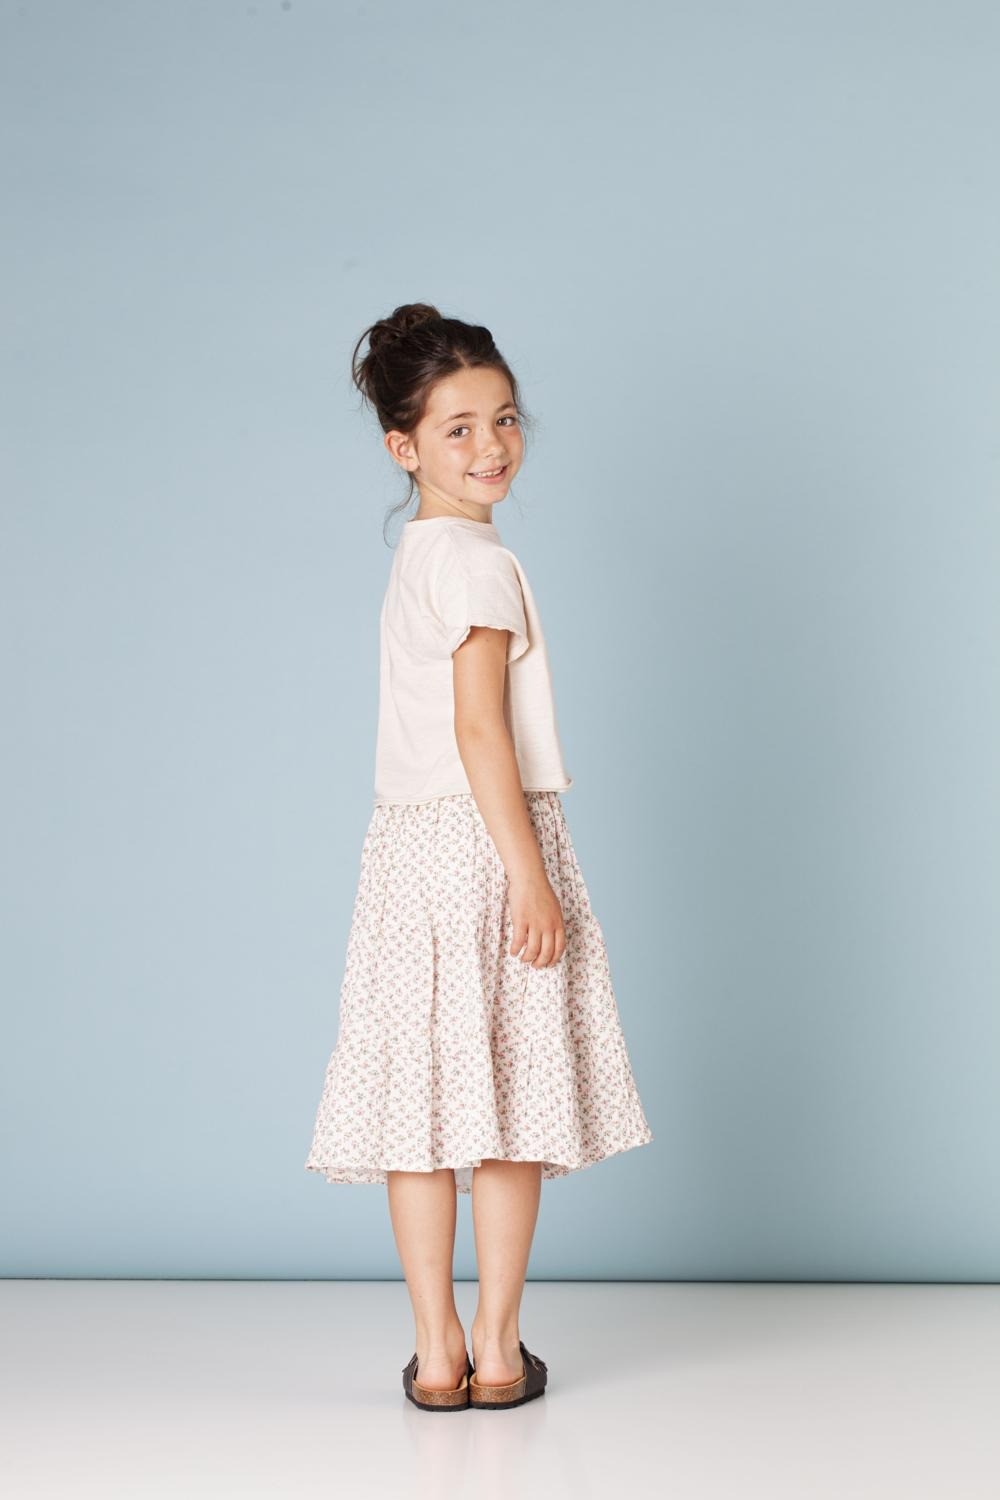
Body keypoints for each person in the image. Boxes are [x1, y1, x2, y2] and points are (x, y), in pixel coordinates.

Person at [304, 302, 653, 1411]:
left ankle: (437, 1351)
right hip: (488, 838)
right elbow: (479, 729)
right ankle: (498, 1350)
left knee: (424, 1101)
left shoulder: (420, 554)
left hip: (409, 852)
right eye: (456, 428)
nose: (491, 445)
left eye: (503, 418)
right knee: (513, 1098)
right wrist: (529, 873)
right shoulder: (480, 564)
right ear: (401, 446)